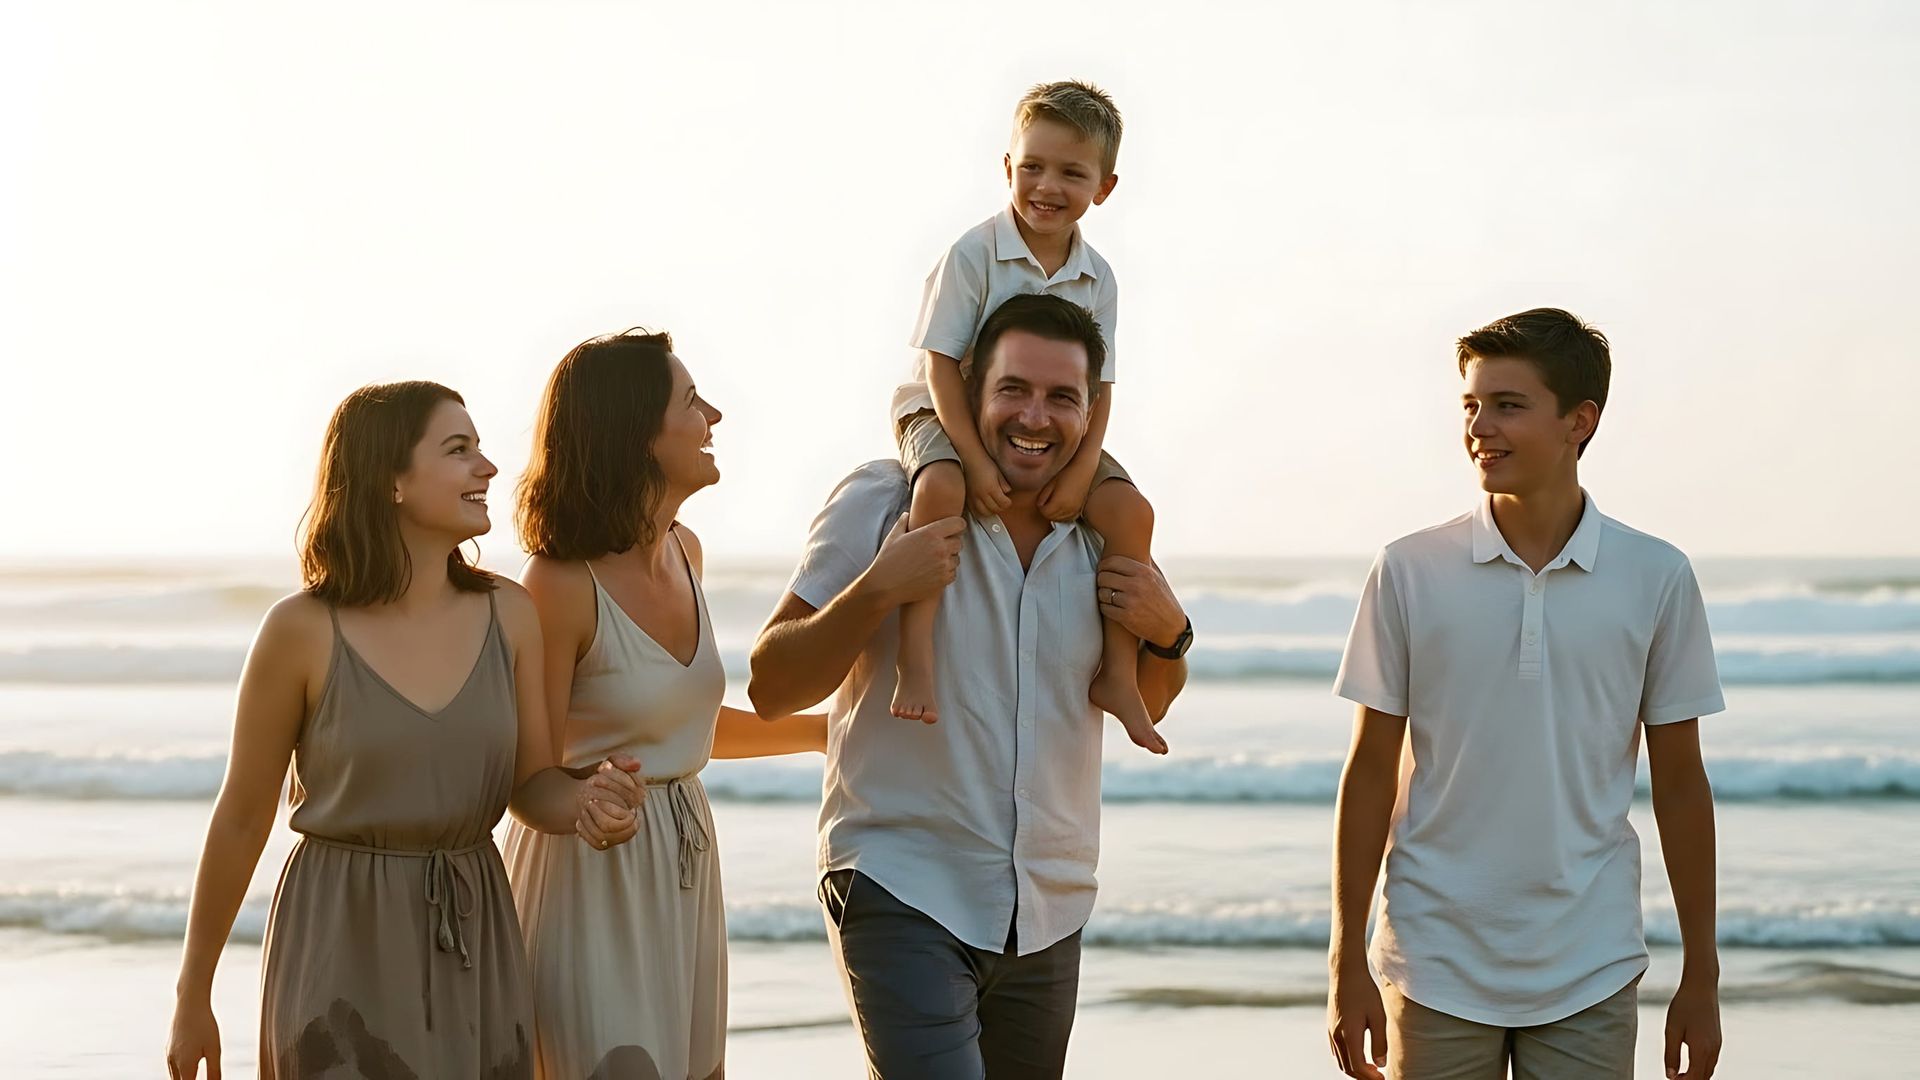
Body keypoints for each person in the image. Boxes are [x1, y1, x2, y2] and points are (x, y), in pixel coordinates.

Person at [751, 293, 1193, 1079]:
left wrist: (1172, 634)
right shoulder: (885, 499)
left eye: (1062, 398)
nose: (1036, 417)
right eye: (1013, 390)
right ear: (969, 396)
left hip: (1048, 905)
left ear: (1091, 414)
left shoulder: (1104, 531)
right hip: (900, 883)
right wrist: (879, 587)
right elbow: (771, 685)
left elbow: (1145, 700)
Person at [166, 381, 643, 1080]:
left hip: (475, 938)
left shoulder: (510, 615)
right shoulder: (298, 632)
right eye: (459, 450)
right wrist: (193, 995)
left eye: (481, 449)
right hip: (338, 939)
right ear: (390, 479)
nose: (488, 468)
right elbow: (240, 819)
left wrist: (587, 803)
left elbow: (532, 786)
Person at [1326, 309, 1726, 1080]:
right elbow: (1370, 769)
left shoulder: (1657, 576)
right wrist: (1345, 961)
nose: (1481, 427)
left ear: (1581, 421)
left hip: (1591, 965)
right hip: (1434, 961)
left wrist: (1702, 975)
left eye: (1508, 405)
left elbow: (1681, 784)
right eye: (1471, 405)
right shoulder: (1409, 568)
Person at [503, 329, 827, 1080]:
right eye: (690, 401)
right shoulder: (557, 584)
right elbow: (529, 777)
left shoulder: (688, 551)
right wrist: (589, 804)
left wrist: (825, 732)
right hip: (592, 879)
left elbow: (682, 728)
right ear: (636, 435)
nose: (713, 415)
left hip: (682, 869)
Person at [888, 79, 1165, 755]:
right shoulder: (974, 254)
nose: (1048, 185)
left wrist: (1081, 472)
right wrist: (974, 460)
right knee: (942, 490)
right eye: (1033, 167)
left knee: (1132, 514)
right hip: (941, 405)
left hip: (1049, 423)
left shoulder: (1097, 277)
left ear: (1104, 187)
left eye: (1072, 173)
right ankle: (915, 654)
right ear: (1007, 168)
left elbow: (1098, 387)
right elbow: (941, 367)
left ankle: (1119, 676)